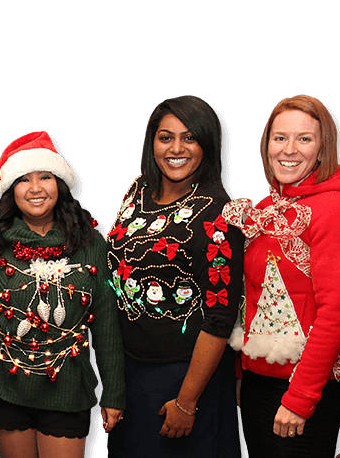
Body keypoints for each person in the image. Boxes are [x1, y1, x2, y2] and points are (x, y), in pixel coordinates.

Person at [0, 131, 125, 457]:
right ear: (11, 191)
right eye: (24, 180)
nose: (35, 188)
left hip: (68, 390)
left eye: (45, 177)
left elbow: (107, 326)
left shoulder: (90, 243)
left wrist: (114, 394)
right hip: (6, 388)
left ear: (59, 184)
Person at [222, 94, 340, 457]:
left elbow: (335, 313)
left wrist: (301, 397)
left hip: (302, 387)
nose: (289, 149)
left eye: (304, 138)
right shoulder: (267, 208)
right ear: (266, 145)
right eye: (279, 137)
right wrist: (243, 376)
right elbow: (251, 297)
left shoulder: (335, 209)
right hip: (258, 383)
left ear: (323, 149)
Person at [104, 96, 243, 457]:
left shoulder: (218, 215)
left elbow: (220, 318)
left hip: (184, 378)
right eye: (166, 138)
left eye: (190, 138)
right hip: (131, 371)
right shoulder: (138, 190)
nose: (176, 149)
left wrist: (186, 402)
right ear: (152, 142)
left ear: (207, 144)